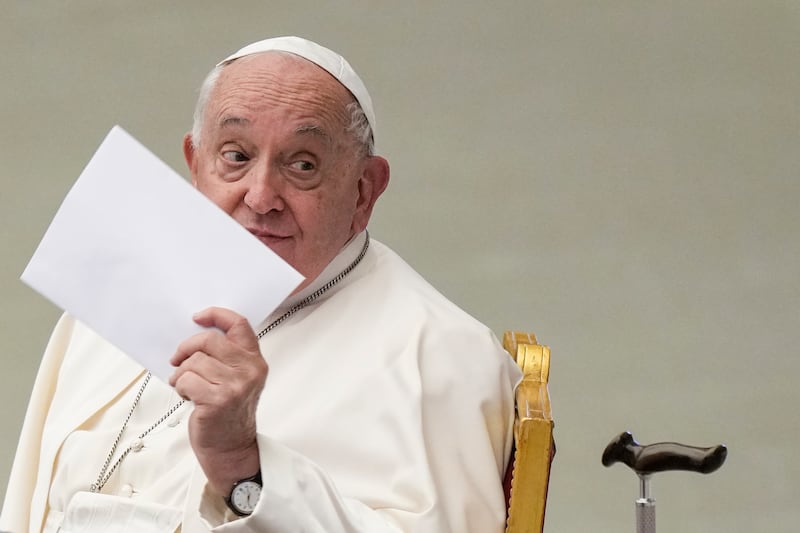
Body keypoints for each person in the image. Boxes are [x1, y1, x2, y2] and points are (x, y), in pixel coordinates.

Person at [1, 36, 522, 532]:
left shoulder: (444, 356)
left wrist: (242, 465)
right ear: (195, 165)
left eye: (302, 164)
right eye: (236, 156)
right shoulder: (108, 298)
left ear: (364, 191)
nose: (261, 195)